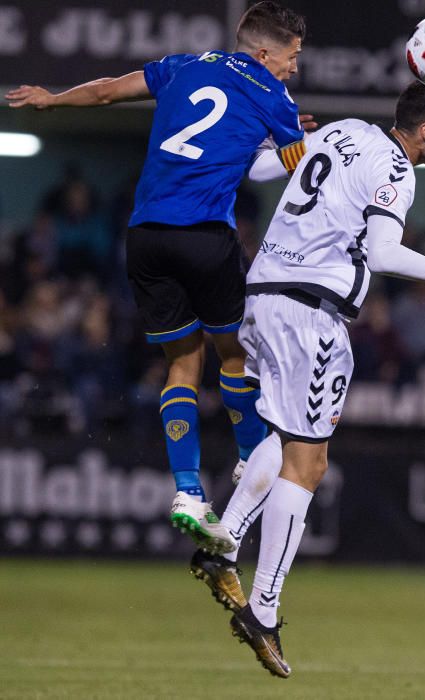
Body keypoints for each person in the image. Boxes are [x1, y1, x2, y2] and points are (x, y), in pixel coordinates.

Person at [189, 80, 425, 678]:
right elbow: (385, 254)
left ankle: (225, 536)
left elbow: (264, 167)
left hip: (263, 296)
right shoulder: (397, 168)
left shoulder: (344, 130)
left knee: (289, 436)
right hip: (309, 311)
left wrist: (278, 137)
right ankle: (262, 608)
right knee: (311, 462)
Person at [6, 1, 315, 555]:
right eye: (292, 57)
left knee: (181, 363)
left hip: (145, 236)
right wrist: (293, 140)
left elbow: (104, 91)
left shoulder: (181, 65)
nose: (294, 68)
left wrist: (53, 100)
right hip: (205, 237)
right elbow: (298, 172)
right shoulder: (275, 97)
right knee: (236, 355)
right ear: (265, 53)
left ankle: (188, 493)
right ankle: (250, 461)